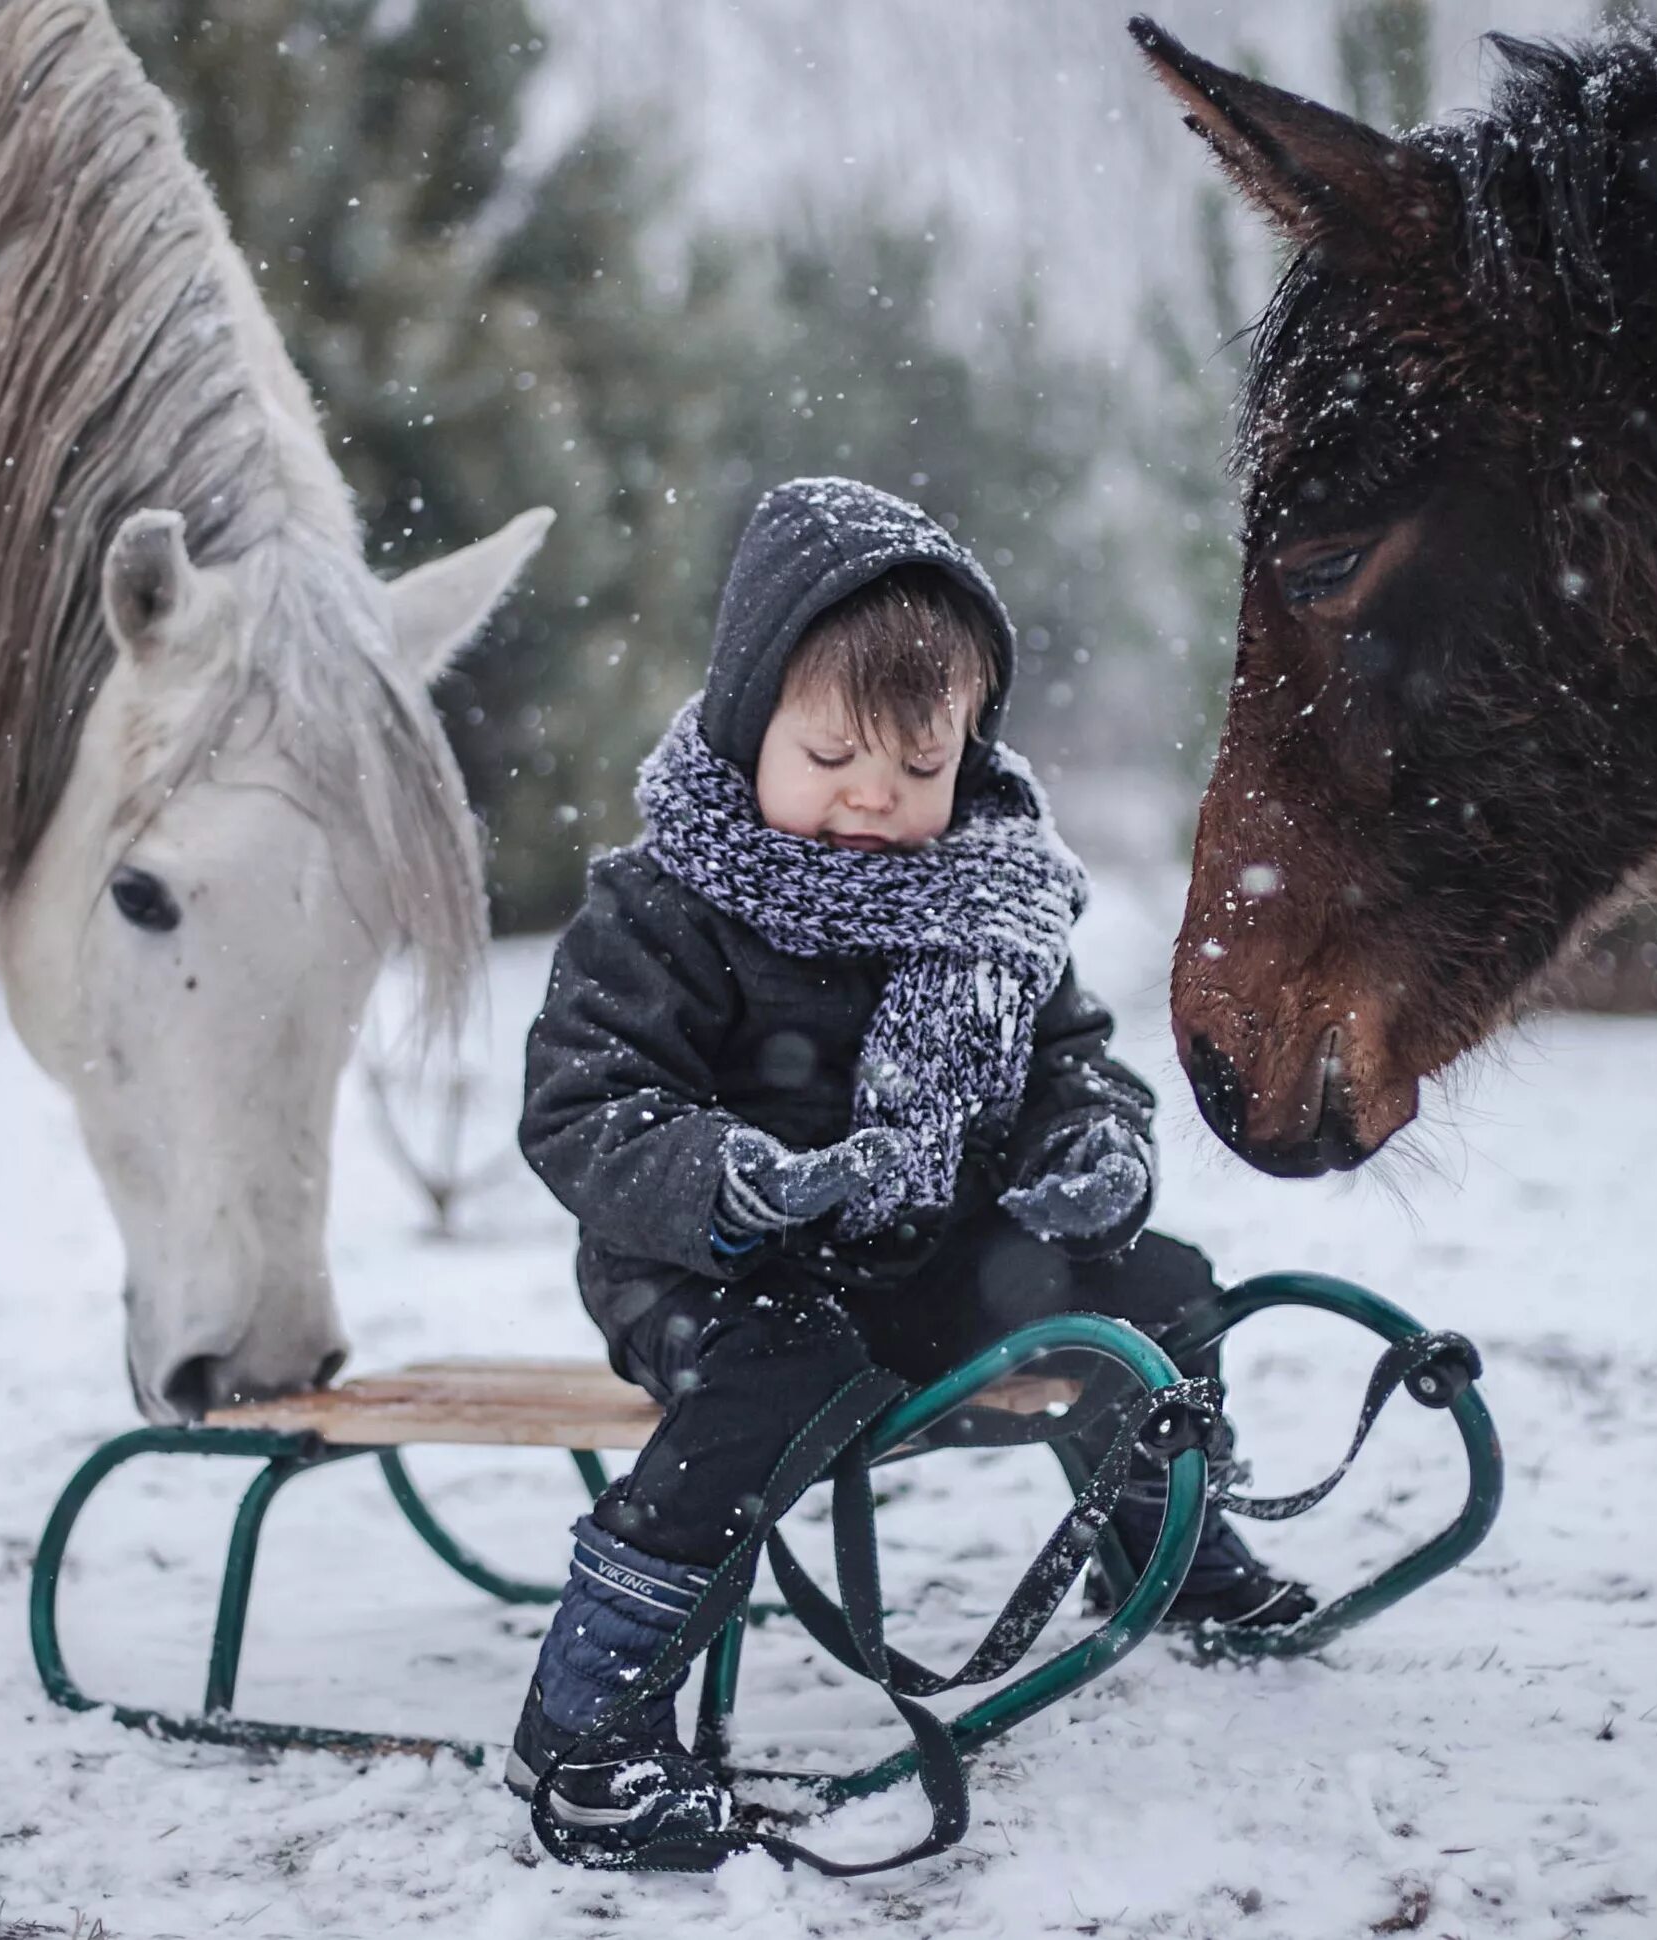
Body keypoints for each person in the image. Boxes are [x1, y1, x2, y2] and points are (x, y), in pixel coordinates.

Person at [510, 476, 1311, 1861]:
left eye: (918, 772)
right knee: (776, 1368)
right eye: (829, 761)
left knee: (1158, 1289)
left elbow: (1074, 1065)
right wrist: (727, 1179)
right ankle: (588, 1733)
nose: (871, 803)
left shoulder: (993, 909)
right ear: (748, 720)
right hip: (714, 1271)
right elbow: (584, 1106)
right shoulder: (663, 907)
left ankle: (1164, 1546)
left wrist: (1092, 1150)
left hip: (931, 1254)